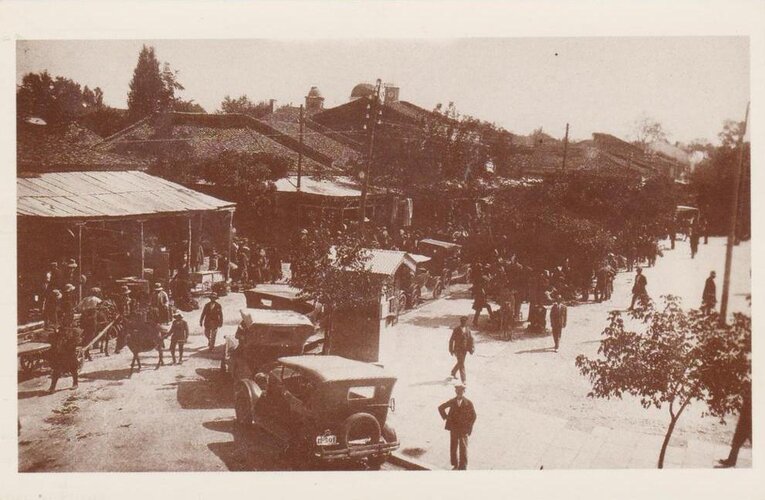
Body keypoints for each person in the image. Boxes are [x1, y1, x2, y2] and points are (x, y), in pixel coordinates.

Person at [438, 383, 477, 470]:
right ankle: (455, 463)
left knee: (463, 447)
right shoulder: (452, 401)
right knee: (453, 446)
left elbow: (473, 416)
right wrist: (446, 417)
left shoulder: (469, 403)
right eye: (458, 391)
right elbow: (440, 408)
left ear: (464, 391)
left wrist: (469, 427)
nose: (459, 393)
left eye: (461, 391)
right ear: (455, 391)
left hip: (463, 429)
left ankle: (463, 465)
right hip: (454, 428)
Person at [718, 386, 752, 468]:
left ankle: (731, 461)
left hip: (748, 424)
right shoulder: (747, 399)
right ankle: (731, 461)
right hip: (744, 423)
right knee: (736, 442)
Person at [48, 326, 80, 393]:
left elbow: (75, 344)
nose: (62, 333)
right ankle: (52, 387)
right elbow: (54, 344)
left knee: (73, 370)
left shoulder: (72, 335)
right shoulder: (58, 337)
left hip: (70, 356)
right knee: (56, 371)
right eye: (60, 331)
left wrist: (67, 347)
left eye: (63, 331)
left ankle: (75, 383)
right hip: (60, 356)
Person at [449, 316, 475, 384]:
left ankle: (453, 372)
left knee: (461, 362)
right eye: (462, 322)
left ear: (466, 322)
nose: (463, 323)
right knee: (462, 363)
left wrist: (471, 348)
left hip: (464, 349)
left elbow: (471, 339)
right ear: (461, 322)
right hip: (458, 349)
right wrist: (451, 350)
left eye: (465, 322)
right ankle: (463, 380)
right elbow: (451, 340)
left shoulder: (468, 329)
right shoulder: (456, 330)